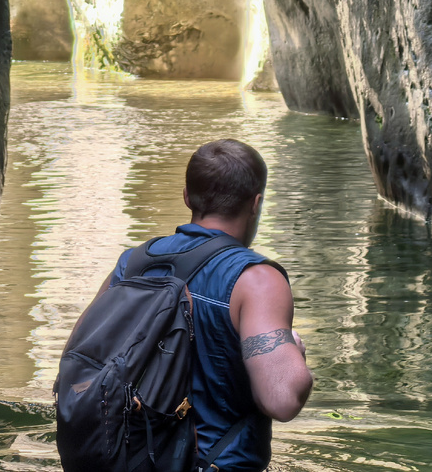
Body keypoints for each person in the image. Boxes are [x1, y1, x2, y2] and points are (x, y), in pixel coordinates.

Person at [96, 139, 313, 470]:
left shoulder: (132, 264)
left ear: (187, 196)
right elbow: (282, 400)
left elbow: (86, 363)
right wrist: (293, 350)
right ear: (255, 203)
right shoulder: (255, 280)